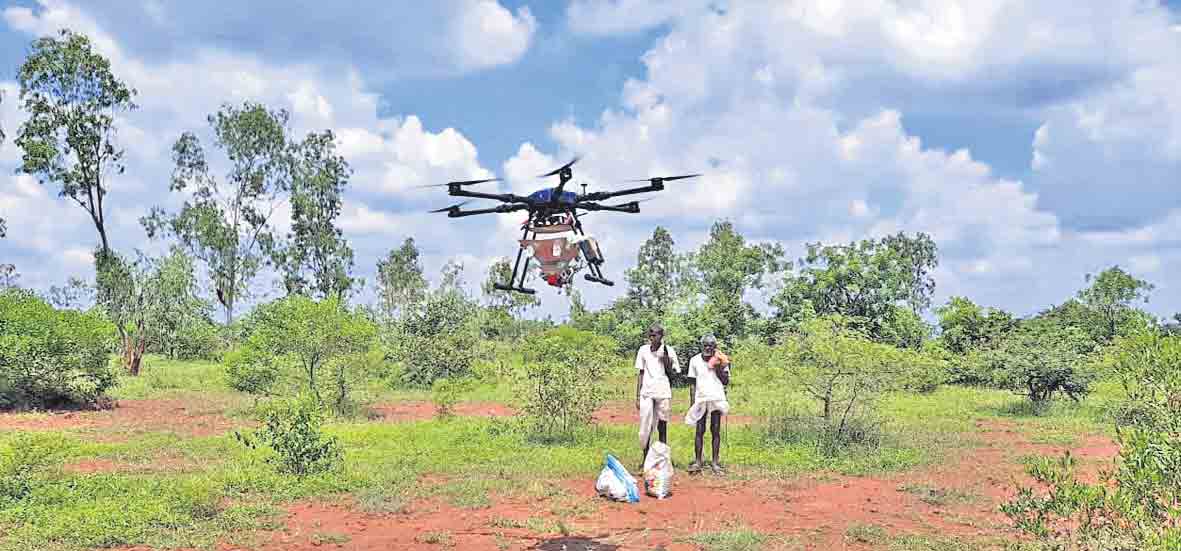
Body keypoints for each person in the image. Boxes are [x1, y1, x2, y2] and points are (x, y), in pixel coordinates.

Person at [635, 323, 679, 471]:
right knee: (645, 426)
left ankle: (662, 458)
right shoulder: (643, 350)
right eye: (650, 335)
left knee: (662, 425)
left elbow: (674, 374)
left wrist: (666, 361)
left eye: (655, 335)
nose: (652, 337)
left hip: (663, 392)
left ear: (662, 336)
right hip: (646, 393)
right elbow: (641, 373)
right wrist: (637, 395)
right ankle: (645, 457)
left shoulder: (668, 351)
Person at [684, 334, 731, 474]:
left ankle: (715, 463)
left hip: (716, 397)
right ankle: (698, 461)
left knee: (715, 429)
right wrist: (693, 403)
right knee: (700, 429)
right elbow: (692, 384)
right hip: (701, 398)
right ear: (701, 346)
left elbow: (726, 381)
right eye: (705, 345)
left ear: (715, 347)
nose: (708, 348)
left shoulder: (721, 359)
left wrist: (717, 368)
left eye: (711, 345)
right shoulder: (694, 360)